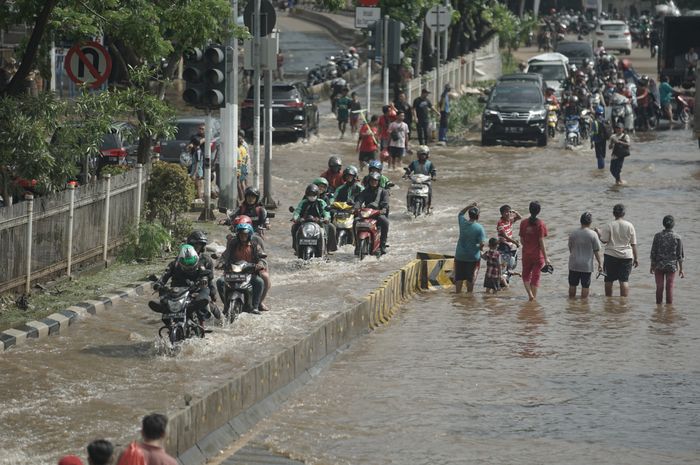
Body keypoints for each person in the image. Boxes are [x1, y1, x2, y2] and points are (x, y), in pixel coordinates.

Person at [151, 244, 215, 320]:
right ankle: (164, 308)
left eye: (192, 266)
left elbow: (207, 275)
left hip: (193, 290)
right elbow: (165, 275)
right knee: (163, 293)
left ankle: (198, 311)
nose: (190, 268)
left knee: (205, 291)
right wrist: (159, 283)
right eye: (186, 266)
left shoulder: (201, 265)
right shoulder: (173, 265)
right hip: (176, 292)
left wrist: (204, 279)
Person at [218, 223, 267, 314]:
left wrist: (259, 264)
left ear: (249, 235)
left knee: (259, 282)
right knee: (220, 281)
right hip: (232, 273)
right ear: (238, 235)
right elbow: (225, 255)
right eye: (241, 234)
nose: (243, 236)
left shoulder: (255, 245)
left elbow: (262, 258)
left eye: (245, 234)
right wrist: (220, 262)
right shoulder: (233, 244)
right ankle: (226, 306)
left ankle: (255, 307)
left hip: (249, 272)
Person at [595, 203, 639, 297]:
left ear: (613, 213)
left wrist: (599, 233)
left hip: (611, 255)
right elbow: (633, 244)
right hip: (626, 256)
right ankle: (623, 301)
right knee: (624, 280)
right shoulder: (630, 225)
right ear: (624, 214)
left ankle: (608, 299)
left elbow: (604, 240)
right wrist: (636, 258)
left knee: (608, 280)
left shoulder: (609, 225)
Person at [519, 201, 551, 301]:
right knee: (535, 278)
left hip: (526, 254)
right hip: (537, 256)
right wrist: (546, 258)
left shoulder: (523, 223)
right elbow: (541, 241)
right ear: (539, 211)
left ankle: (530, 295)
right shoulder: (540, 224)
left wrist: (527, 247)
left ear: (529, 210)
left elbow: (521, 240)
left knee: (525, 276)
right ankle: (534, 298)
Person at [186, 230, 222, 319]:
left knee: (209, 307)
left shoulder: (206, 259)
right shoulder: (181, 258)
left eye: (199, 244)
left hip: (200, 288)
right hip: (183, 289)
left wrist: (213, 294)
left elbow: (210, 279)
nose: (197, 247)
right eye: (195, 244)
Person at [292, 184, 337, 253]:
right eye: (309, 194)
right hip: (304, 222)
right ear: (306, 195)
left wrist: (326, 218)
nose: (311, 196)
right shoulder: (303, 202)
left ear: (317, 194)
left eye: (313, 194)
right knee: (294, 227)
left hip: (319, 222)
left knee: (331, 227)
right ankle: (296, 248)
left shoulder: (321, 202)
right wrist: (295, 218)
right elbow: (298, 211)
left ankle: (327, 249)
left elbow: (326, 212)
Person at [568, 212, 603, 299]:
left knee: (572, 284)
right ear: (590, 222)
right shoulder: (593, 234)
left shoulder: (573, 233)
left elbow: (570, 248)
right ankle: (584, 304)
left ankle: (571, 302)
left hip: (574, 264)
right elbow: (596, 251)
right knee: (585, 286)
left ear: (580, 221)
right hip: (586, 265)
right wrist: (600, 264)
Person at [650, 215, 684, 304]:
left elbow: (653, 252)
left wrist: (652, 265)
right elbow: (679, 255)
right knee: (669, 287)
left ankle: (658, 307)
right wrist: (681, 269)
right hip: (672, 266)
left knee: (659, 286)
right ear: (673, 224)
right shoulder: (677, 237)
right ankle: (669, 309)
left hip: (659, 266)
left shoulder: (657, 236)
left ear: (663, 224)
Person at [353, 172, 390, 255]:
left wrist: (383, 209)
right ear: (369, 181)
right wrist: (356, 207)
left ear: (378, 182)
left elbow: (386, 203)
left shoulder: (383, 192)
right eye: (372, 180)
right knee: (355, 221)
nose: (373, 182)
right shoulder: (365, 191)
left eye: (375, 181)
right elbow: (359, 200)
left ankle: (382, 246)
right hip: (367, 213)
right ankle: (357, 245)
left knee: (385, 222)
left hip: (378, 214)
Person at [454, 202, 485, 293]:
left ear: (469, 215)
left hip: (460, 255)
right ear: (478, 216)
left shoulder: (462, 223)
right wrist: (476, 246)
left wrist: (470, 206)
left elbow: (460, 213)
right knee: (470, 278)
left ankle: (458, 294)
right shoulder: (479, 228)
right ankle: (469, 296)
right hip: (472, 257)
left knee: (459, 277)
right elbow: (482, 244)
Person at [404, 145, 436, 211]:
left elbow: (433, 171)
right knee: (408, 192)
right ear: (418, 155)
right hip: (415, 181)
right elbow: (409, 169)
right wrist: (406, 174)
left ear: (427, 155)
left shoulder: (429, 164)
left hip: (426, 182)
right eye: (421, 154)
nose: (423, 156)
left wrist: (434, 176)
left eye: (424, 154)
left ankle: (428, 206)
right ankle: (408, 205)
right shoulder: (414, 163)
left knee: (429, 192)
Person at [496, 204, 522, 286]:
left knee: (510, 266)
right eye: (505, 212)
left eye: (508, 212)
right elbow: (504, 236)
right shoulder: (500, 223)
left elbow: (519, 217)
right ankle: (503, 284)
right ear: (502, 214)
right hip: (503, 246)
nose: (507, 214)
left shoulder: (509, 220)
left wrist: (514, 212)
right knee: (504, 267)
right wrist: (515, 242)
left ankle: (505, 283)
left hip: (510, 246)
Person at [187, 124, 205, 199]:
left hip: (198, 169)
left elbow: (197, 162)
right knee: (197, 184)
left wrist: (194, 173)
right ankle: (198, 197)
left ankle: (199, 198)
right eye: (199, 128)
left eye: (202, 129)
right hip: (196, 168)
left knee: (198, 185)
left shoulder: (198, 151)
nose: (200, 130)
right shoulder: (196, 150)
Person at [590, 105, 609, 169]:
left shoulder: (595, 122)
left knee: (599, 156)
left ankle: (600, 169)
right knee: (603, 155)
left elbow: (592, 133)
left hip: (597, 140)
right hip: (604, 139)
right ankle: (602, 168)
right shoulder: (605, 120)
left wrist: (591, 142)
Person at [236, 133, 249, 202]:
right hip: (244, 166)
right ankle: (245, 197)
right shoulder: (244, 148)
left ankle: (242, 198)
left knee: (240, 184)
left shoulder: (238, 149)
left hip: (240, 166)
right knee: (243, 183)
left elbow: (239, 160)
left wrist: (238, 170)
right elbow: (246, 158)